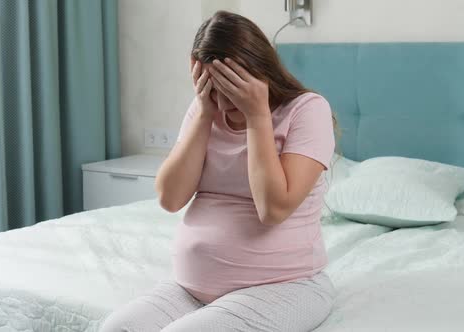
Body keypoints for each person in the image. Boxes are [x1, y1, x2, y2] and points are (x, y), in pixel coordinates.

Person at [100, 10, 337, 332]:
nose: (224, 103)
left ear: (259, 73)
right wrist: (202, 112)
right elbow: (170, 198)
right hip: (192, 289)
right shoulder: (204, 108)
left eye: (232, 88)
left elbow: (274, 209)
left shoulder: (307, 110)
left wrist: (257, 117)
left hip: (284, 285)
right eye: (214, 89)